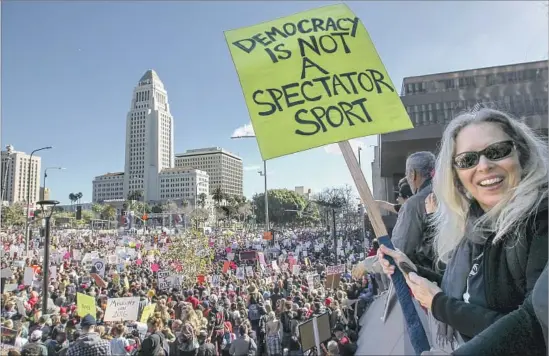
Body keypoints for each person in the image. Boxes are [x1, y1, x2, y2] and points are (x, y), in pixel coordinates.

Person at [379, 108, 548, 354]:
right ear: (457, 176)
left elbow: (532, 330)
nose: (484, 166)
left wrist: (439, 305)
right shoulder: (473, 223)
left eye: (497, 152)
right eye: (468, 160)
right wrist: (411, 267)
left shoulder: (541, 221)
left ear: (520, 154)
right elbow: (464, 291)